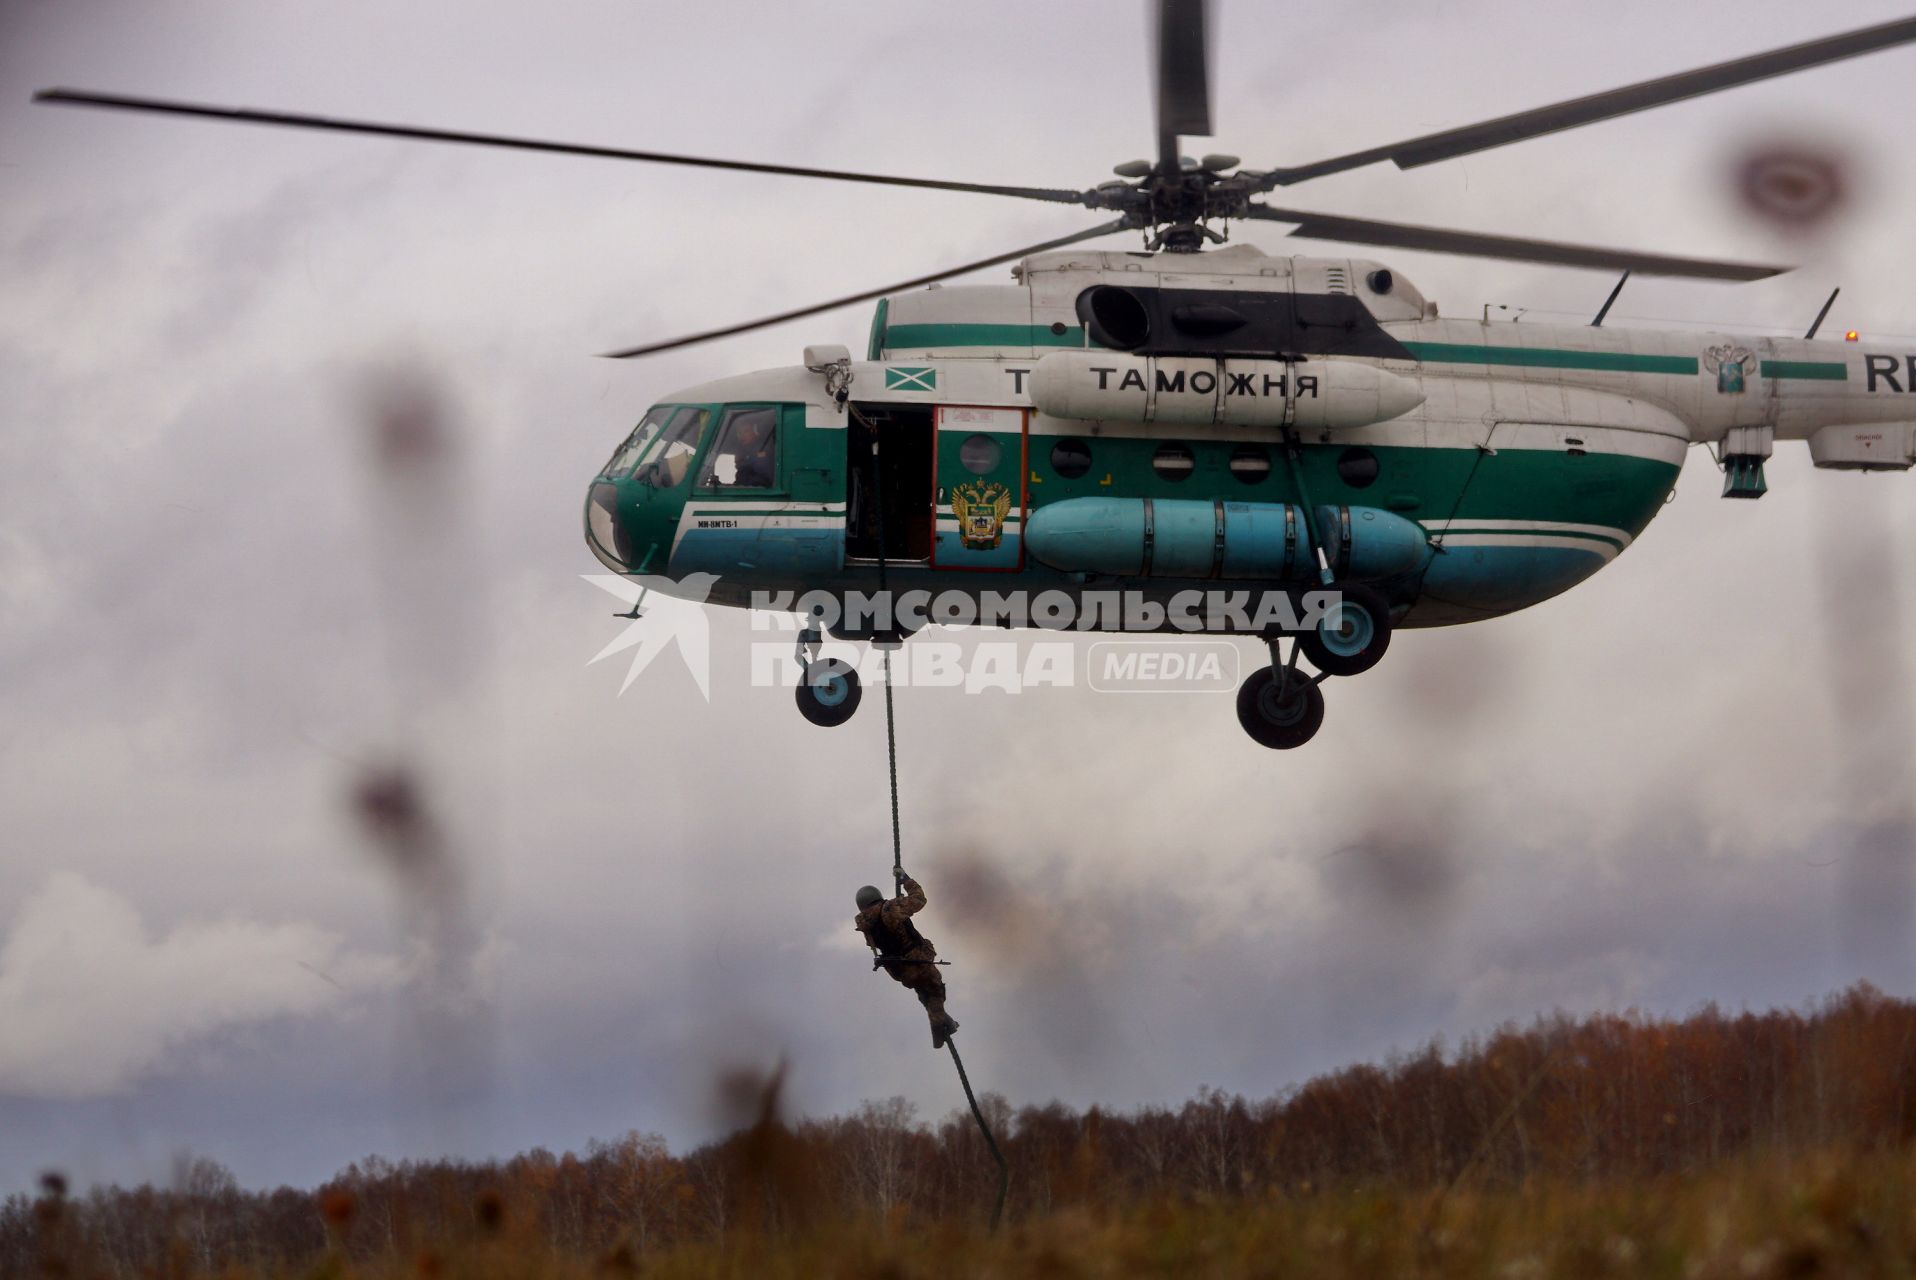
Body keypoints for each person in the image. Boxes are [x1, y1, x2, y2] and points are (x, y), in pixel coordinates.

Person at [854, 874, 960, 1048]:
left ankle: (944, 1020)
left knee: (923, 992)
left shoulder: (864, 922)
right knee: (935, 991)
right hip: (916, 961)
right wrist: (905, 879)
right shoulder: (889, 908)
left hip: (899, 970)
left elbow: (873, 943)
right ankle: (938, 1032)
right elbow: (919, 899)